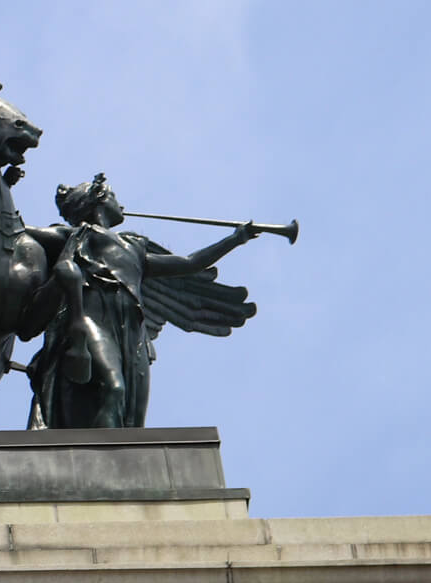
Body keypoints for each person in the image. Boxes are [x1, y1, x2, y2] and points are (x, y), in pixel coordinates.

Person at [25, 174, 271, 429]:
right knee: (113, 389)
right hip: (91, 316)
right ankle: (106, 460)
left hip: (131, 329)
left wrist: (236, 238)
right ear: (99, 198)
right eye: (113, 196)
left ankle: (125, 458)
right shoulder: (76, 236)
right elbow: (22, 230)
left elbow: (190, 264)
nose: (120, 204)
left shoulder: (135, 247)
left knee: (129, 415)